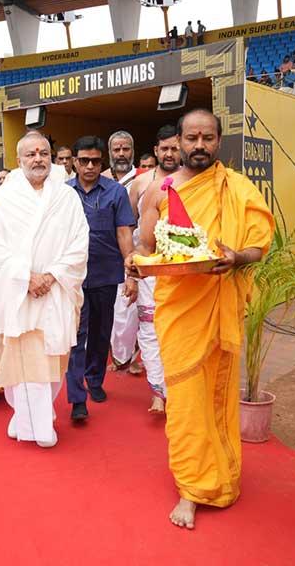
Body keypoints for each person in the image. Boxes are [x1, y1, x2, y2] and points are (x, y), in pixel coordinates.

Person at [128, 108, 274, 530]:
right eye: (191, 138)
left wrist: (236, 256)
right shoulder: (160, 191)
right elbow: (150, 247)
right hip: (179, 309)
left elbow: (258, 246)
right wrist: (138, 265)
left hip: (219, 303)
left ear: (219, 140)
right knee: (188, 400)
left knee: (219, 395)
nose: (199, 146)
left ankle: (222, 477)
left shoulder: (238, 188)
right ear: (178, 141)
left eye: (207, 138)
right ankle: (191, 487)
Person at [0, 131, 88, 447]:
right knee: (22, 357)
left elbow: (79, 242)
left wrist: (52, 275)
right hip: (17, 292)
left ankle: (30, 416)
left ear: (51, 157)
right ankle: (37, 427)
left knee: (52, 357)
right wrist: (26, 277)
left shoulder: (66, 197)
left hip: (55, 290)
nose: (38, 158)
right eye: (31, 154)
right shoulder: (5, 196)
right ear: (19, 160)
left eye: (43, 153)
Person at [66, 136, 136, 421]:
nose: (90, 166)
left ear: (102, 162)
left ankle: (94, 380)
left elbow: (124, 232)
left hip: (106, 273)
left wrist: (131, 274)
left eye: (96, 161)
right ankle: (77, 396)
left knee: (100, 332)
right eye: (84, 161)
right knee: (75, 335)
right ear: (74, 162)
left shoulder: (116, 192)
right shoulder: (63, 193)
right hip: (72, 277)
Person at [125, 124, 182, 415]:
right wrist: (131, 275)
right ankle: (158, 391)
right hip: (148, 266)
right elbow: (129, 229)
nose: (170, 153)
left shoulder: (194, 182)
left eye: (175, 147)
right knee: (149, 330)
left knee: (178, 330)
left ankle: (179, 390)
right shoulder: (141, 183)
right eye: (165, 148)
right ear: (156, 149)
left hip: (183, 270)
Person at [103, 131, 139, 372]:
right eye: (117, 149)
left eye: (126, 149)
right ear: (110, 152)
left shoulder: (144, 178)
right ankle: (117, 356)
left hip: (133, 249)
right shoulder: (101, 178)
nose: (121, 154)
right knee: (110, 309)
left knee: (130, 308)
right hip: (105, 253)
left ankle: (130, 355)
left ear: (132, 151)